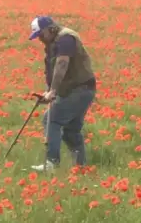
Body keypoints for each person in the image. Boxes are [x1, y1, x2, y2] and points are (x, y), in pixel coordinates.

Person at [27, 16, 96, 171]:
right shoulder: (53, 42)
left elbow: (62, 64)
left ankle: (51, 163)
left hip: (79, 89)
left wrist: (53, 91)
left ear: (50, 29)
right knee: (71, 130)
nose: (40, 40)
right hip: (78, 90)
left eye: (41, 35)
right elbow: (53, 69)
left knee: (51, 120)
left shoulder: (66, 39)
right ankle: (81, 166)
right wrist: (49, 91)